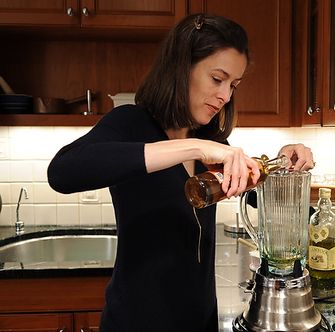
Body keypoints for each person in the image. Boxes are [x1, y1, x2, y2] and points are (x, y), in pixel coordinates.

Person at [47, 13, 314, 331]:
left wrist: (283, 163)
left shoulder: (213, 139)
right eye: (217, 79)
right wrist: (194, 148)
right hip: (138, 320)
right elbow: (63, 172)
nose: (225, 96)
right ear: (181, 67)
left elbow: (247, 189)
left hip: (199, 317)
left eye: (233, 85)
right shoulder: (131, 123)